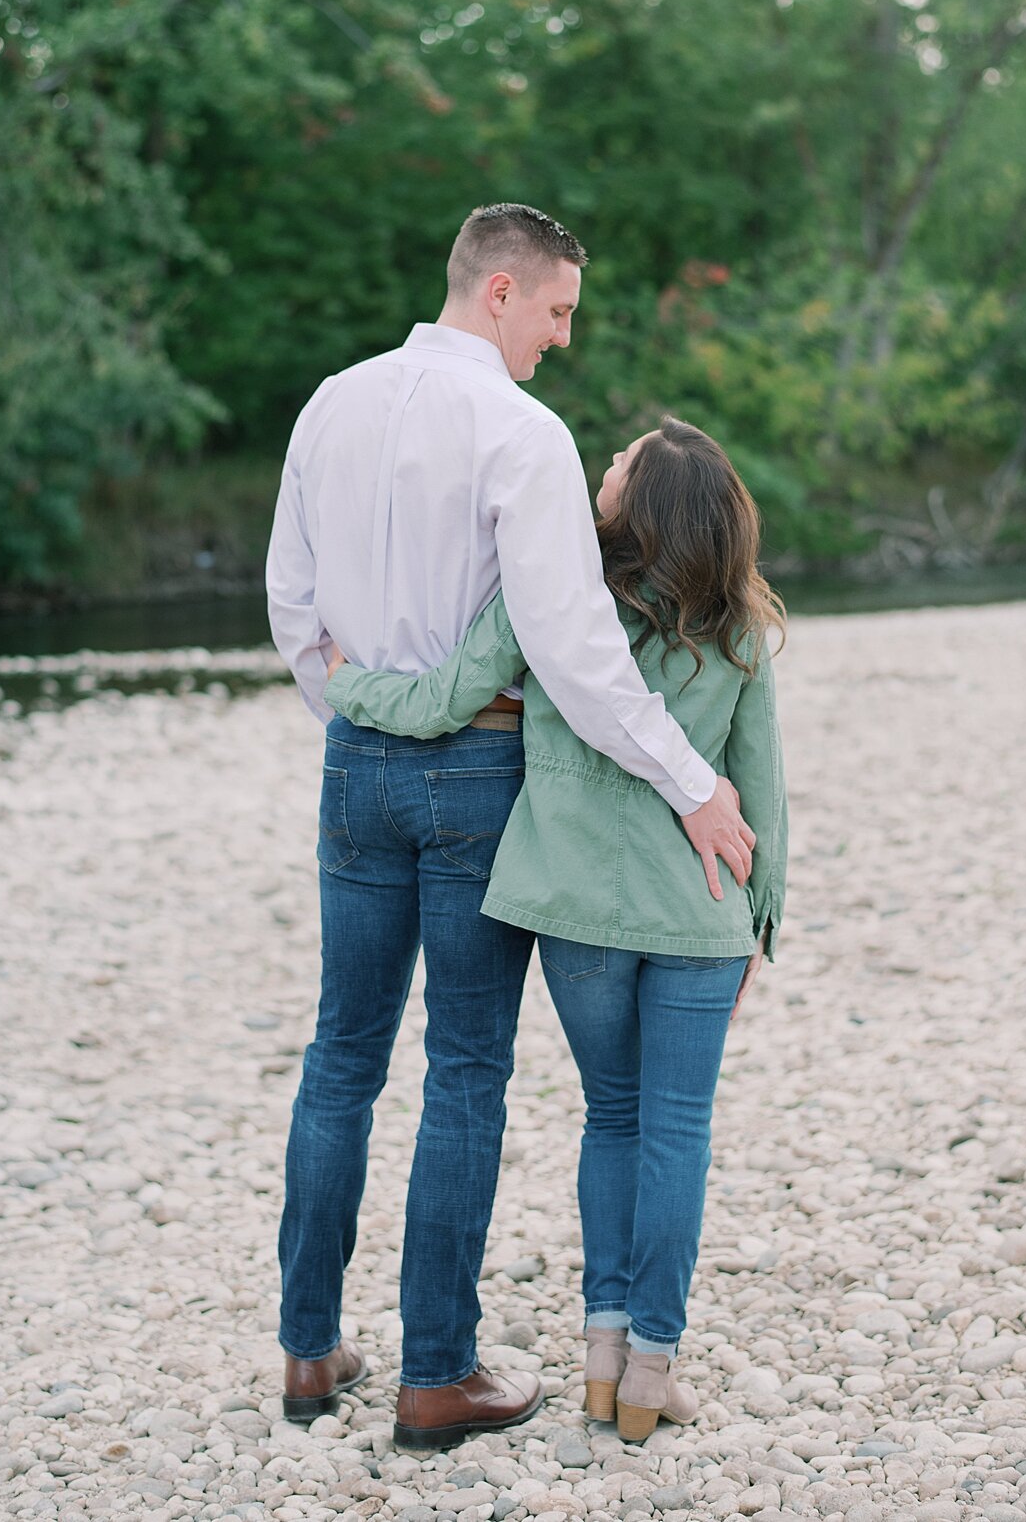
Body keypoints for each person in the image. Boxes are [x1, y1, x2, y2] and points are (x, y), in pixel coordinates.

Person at [265, 204, 756, 1451]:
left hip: (354, 766)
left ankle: (310, 1353)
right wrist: (695, 781)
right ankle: (436, 1373)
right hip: (478, 769)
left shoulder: (330, 403)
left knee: (340, 1058)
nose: (562, 338)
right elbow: (576, 650)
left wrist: (361, 709)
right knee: (465, 1071)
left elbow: (290, 610)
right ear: (498, 290)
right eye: (556, 311)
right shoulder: (523, 431)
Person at [325, 417, 787, 1443]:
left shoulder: (551, 591)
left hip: (575, 909)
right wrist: (761, 922)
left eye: (620, 461)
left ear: (642, 502)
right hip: (698, 909)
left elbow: (444, 698)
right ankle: (650, 1371)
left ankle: (599, 1357)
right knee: (675, 1132)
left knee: (612, 1119)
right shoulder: (740, 627)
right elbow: (762, 791)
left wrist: (346, 679)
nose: (604, 464)